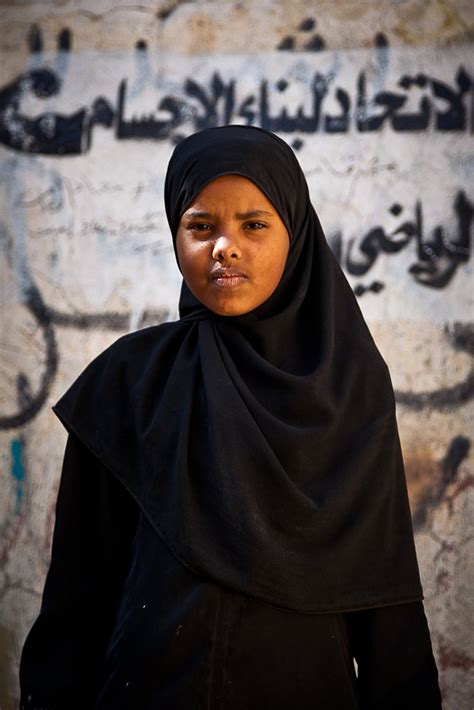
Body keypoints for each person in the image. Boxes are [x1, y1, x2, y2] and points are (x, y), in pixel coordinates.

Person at [19, 125, 442, 709]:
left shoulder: (350, 391)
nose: (225, 247)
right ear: (176, 235)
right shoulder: (129, 383)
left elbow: (387, 605)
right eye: (200, 227)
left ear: (294, 233)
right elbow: (76, 604)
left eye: (254, 224)